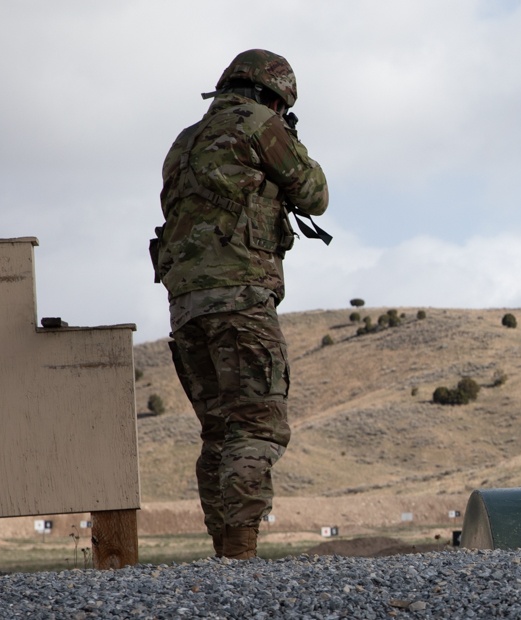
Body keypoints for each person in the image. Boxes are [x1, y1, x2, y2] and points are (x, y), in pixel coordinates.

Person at [152, 49, 328, 560]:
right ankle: (241, 550)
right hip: (241, 298)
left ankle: (225, 551)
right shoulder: (258, 124)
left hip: (186, 306)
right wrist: (289, 140)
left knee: (219, 430)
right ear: (274, 95)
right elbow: (314, 193)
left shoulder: (183, 142)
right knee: (257, 423)